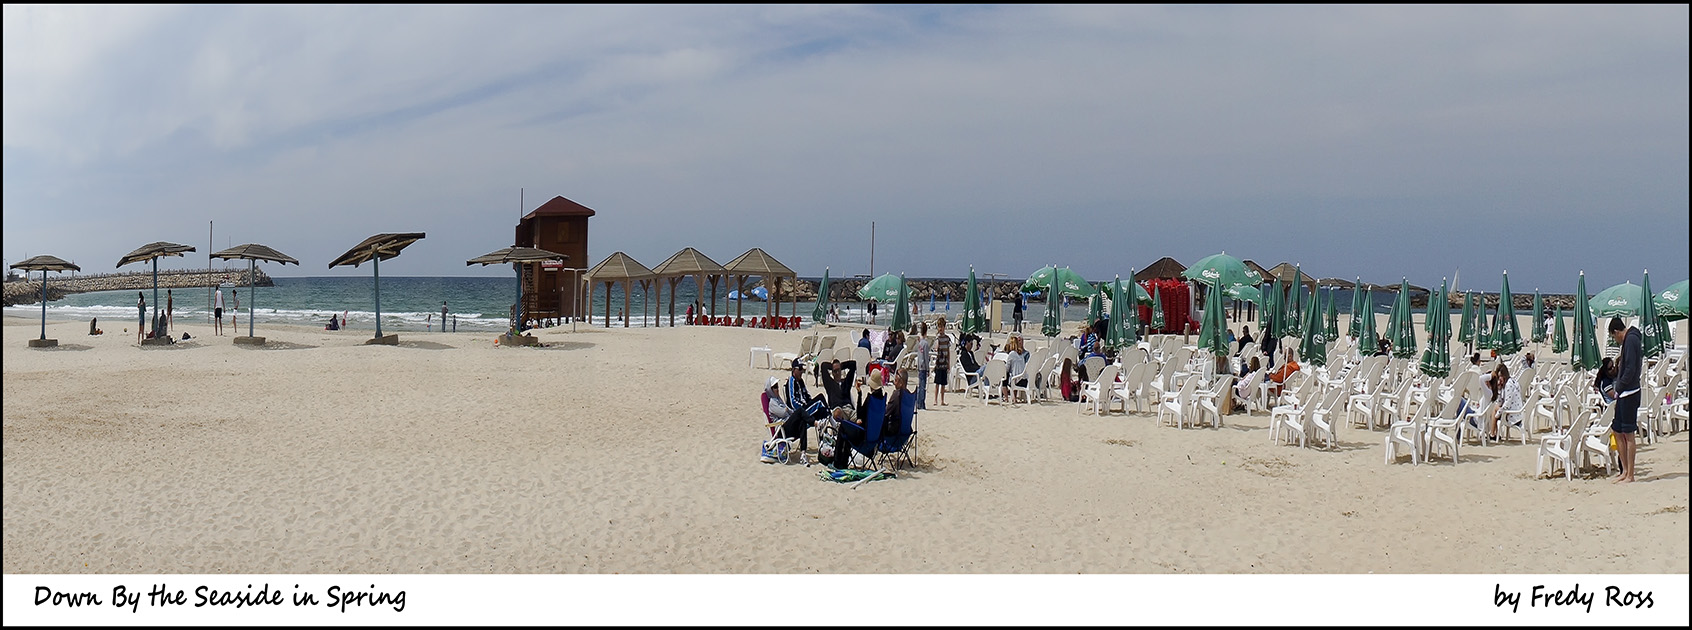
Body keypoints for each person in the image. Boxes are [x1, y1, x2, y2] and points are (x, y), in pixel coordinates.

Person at [1610, 316, 1642, 483]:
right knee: (1617, 430)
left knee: (1628, 434)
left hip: (1629, 392)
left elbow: (1630, 368)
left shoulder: (1630, 341)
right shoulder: (1631, 339)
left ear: (1617, 332)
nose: (1615, 341)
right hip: (1625, 392)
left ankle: (1630, 474)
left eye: (1614, 337)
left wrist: (1619, 387)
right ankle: (1625, 471)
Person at [784, 359, 828, 454]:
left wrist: (811, 404)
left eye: (802, 369)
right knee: (820, 398)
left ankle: (825, 442)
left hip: (806, 409)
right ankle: (833, 422)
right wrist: (805, 407)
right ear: (793, 370)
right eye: (799, 369)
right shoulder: (791, 382)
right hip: (799, 414)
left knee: (821, 412)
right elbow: (792, 403)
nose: (801, 371)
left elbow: (808, 397)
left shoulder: (801, 382)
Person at [1486, 364, 1523, 440]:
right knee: (1496, 407)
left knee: (1495, 409)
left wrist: (1496, 415)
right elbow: (1500, 402)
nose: (1500, 379)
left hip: (1513, 415)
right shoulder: (1512, 382)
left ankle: (1492, 433)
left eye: (1500, 376)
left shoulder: (1508, 385)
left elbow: (1506, 404)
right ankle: (1493, 433)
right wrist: (1499, 389)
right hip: (1517, 413)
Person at [932, 317, 952, 406]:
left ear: (944, 327)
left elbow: (948, 351)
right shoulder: (937, 338)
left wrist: (948, 363)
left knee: (943, 383)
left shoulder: (947, 338)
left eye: (942, 327)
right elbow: (935, 349)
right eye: (939, 327)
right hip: (939, 363)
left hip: (944, 363)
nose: (940, 329)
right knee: (937, 383)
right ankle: (935, 400)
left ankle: (942, 400)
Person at [913, 322, 932, 410]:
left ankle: (918, 403)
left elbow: (919, 355)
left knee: (920, 385)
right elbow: (925, 357)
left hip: (919, 366)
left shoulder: (920, 343)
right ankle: (921, 404)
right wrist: (928, 369)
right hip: (924, 366)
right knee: (922, 387)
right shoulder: (925, 344)